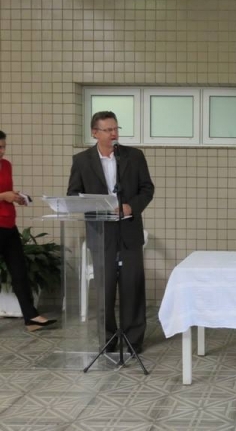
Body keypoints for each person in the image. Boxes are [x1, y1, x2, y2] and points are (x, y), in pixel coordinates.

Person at [67, 111, 154, 354]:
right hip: (100, 232)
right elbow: (73, 194)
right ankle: (107, 339)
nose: (114, 134)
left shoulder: (134, 156)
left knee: (132, 285)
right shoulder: (82, 160)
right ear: (95, 133)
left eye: (116, 129)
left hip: (129, 230)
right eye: (108, 130)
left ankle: (133, 340)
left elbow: (147, 188)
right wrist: (94, 205)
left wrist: (130, 207)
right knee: (105, 289)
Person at [0, 130, 57, 331]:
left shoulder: (6, 165)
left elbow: (5, 192)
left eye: (4, 146)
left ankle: (31, 318)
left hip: (9, 225)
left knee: (19, 272)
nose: (2, 151)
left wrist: (16, 197)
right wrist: (3, 196)